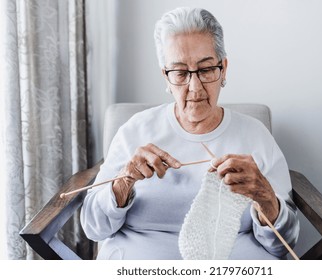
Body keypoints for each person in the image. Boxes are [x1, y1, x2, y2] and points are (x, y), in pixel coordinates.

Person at [80, 7, 299, 260]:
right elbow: (94, 228)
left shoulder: (255, 136)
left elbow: (284, 244)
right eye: (180, 73)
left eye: (206, 70)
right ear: (166, 76)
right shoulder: (135, 131)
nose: (195, 88)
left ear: (223, 69)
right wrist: (123, 182)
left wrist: (265, 197)